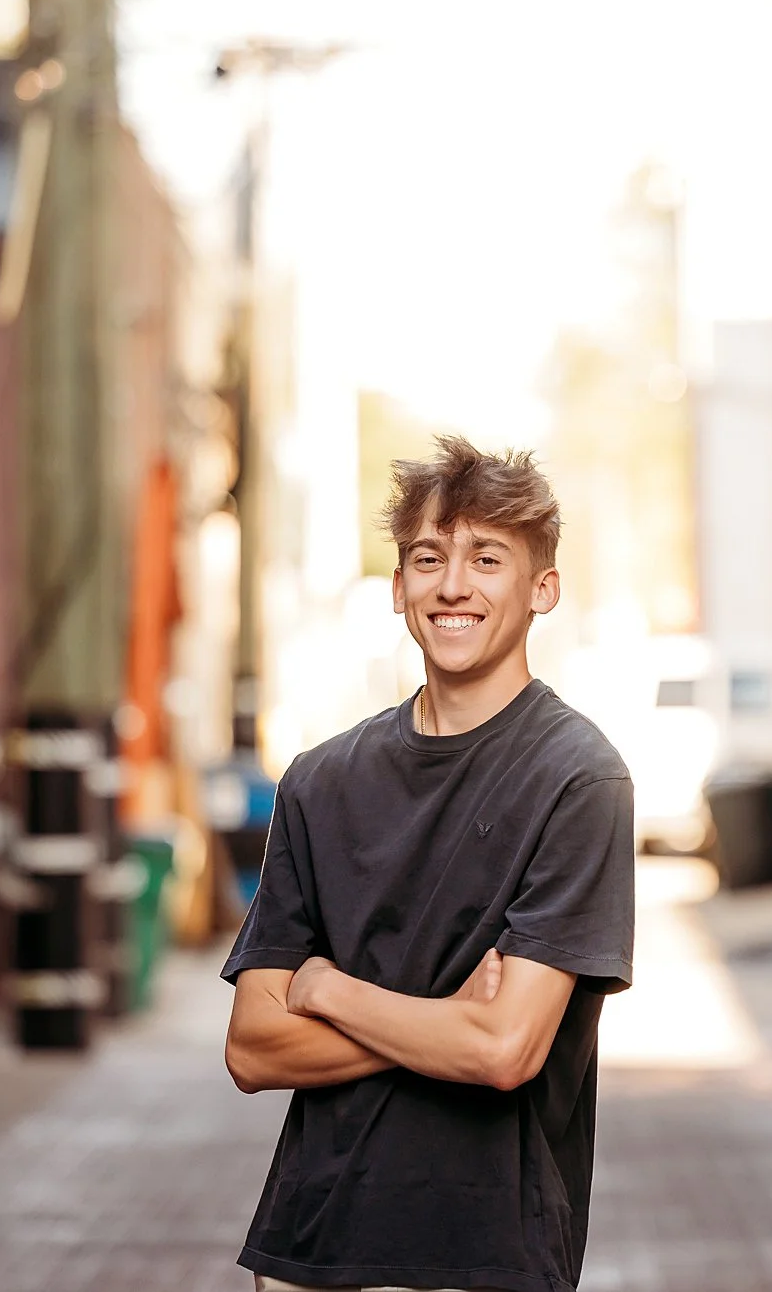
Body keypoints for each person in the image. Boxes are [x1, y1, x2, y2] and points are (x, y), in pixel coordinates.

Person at [221, 436, 635, 1292]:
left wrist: (332, 991)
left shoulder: (577, 778)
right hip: (309, 1247)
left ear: (542, 587)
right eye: (427, 558)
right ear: (401, 588)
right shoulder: (320, 780)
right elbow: (255, 1049)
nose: (454, 585)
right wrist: (444, 1019)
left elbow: (505, 1048)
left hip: (483, 1253)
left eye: (488, 558)